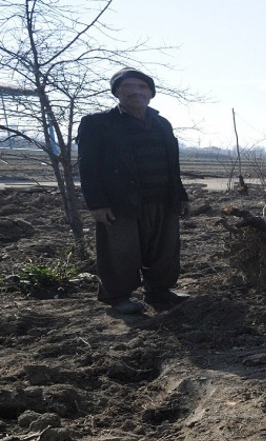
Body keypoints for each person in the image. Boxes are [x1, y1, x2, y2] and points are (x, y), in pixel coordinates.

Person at [78, 67, 190, 315]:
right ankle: (117, 297)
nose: (136, 92)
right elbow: (88, 166)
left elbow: (172, 164)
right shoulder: (98, 124)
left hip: (162, 199)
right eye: (128, 87)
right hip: (120, 202)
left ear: (151, 93)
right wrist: (96, 203)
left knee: (164, 250)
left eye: (142, 87)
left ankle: (159, 291)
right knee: (121, 251)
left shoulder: (161, 123)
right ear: (117, 92)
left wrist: (180, 195)